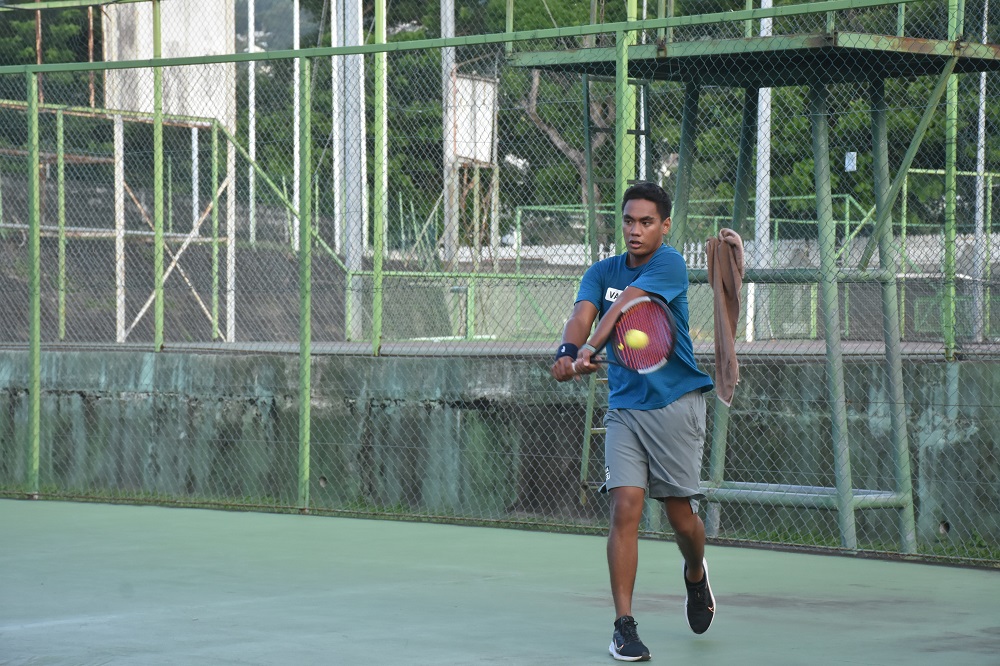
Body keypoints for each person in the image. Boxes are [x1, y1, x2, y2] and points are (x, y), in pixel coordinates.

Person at [551, 182, 716, 662]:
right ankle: (624, 627)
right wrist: (566, 351)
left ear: (664, 226)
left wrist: (588, 351)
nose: (636, 230)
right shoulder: (602, 271)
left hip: (676, 404)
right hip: (625, 408)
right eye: (629, 221)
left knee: (681, 519)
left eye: (646, 222)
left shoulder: (669, 264)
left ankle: (695, 573)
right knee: (625, 507)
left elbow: (627, 308)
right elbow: (584, 313)